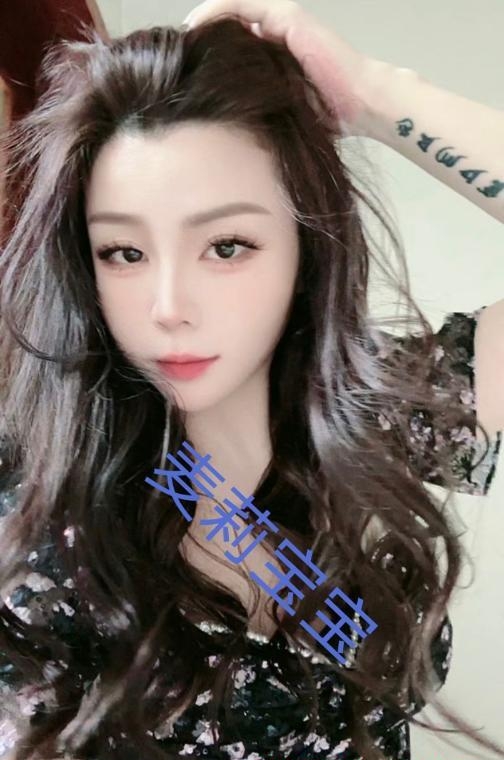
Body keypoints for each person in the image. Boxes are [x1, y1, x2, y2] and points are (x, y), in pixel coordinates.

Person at [0, 1, 502, 758]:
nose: (168, 307)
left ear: (305, 247)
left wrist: (375, 95)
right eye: (124, 253)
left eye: (227, 245)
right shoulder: (37, 540)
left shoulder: (374, 417)